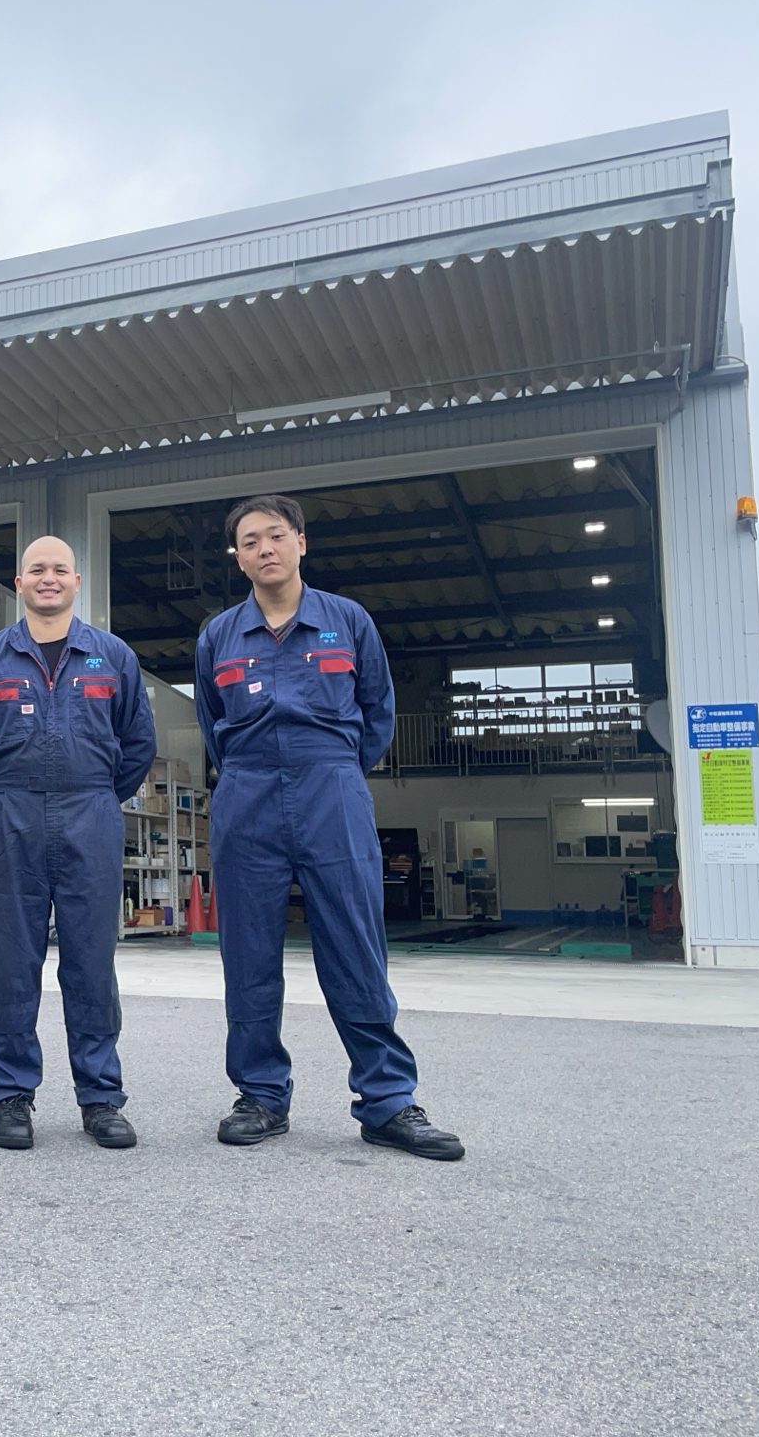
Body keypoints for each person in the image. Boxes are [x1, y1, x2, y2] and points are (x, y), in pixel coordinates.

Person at [194, 494, 464, 1161]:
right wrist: (259, 772)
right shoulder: (218, 636)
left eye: (275, 535)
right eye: (249, 542)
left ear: (301, 543)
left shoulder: (348, 621)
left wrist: (332, 770)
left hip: (331, 790)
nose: (264, 549)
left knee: (355, 949)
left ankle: (388, 1101)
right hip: (247, 793)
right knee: (248, 956)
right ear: (238, 559)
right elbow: (212, 727)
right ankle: (260, 1095)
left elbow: (378, 714)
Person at [0, 536, 155, 1151]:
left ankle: (100, 1097)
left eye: (60, 569)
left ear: (76, 581)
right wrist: (12, 795)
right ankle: (10, 1096)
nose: (48, 578)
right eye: (36, 569)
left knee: (91, 963)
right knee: (11, 962)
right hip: (12, 812)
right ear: (19, 583)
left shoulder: (113, 656)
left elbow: (137, 746)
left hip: (92, 811)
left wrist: (96, 795)